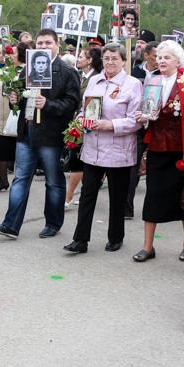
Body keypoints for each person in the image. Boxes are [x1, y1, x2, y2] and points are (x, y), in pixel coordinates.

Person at [0, 28, 79, 239]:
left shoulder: (67, 71)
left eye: (48, 43)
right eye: (40, 43)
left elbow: (72, 103)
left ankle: (53, 223)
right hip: (26, 130)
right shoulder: (29, 67)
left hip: (50, 135)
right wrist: (15, 100)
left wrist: (48, 104)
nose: (43, 46)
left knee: (53, 181)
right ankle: (10, 225)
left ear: (57, 45)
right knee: (20, 178)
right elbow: (20, 98)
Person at [63, 43, 142, 254]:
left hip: (118, 150)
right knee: (87, 195)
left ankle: (115, 237)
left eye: (115, 58)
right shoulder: (94, 80)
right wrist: (81, 120)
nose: (110, 62)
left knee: (117, 197)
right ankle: (80, 240)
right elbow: (84, 109)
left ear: (124, 61)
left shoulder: (132, 84)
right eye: (106, 58)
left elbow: (136, 121)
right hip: (93, 148)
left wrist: (110, 125)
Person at [131, 41, 184, 262]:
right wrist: (142, 117)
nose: (161, 61)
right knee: (152, 197)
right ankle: (147, 246)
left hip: (181, 150)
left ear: (178, 61)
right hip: (156, 148)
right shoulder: (152, 81)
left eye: (167, 57)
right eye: (160, 57)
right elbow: (147, 113)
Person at [64, 45, 102, 207]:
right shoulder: (78, 75)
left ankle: (69, 196)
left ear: (90, 60)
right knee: (82, 161)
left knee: (78, 161)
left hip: (88, 122)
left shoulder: (97, 77)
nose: (78, 59)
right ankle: (87, 192)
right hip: (76, 119)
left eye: (81, 56)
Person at [0, 42, 27, 194]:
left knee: (20, 153)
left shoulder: (25, 71)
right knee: (0, 149)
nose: (10, 56)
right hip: (2, 116)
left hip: (18, 117)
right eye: (9, 53)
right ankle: (3, 180)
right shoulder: (4, 71)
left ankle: (20, 183)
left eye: (13, 53)